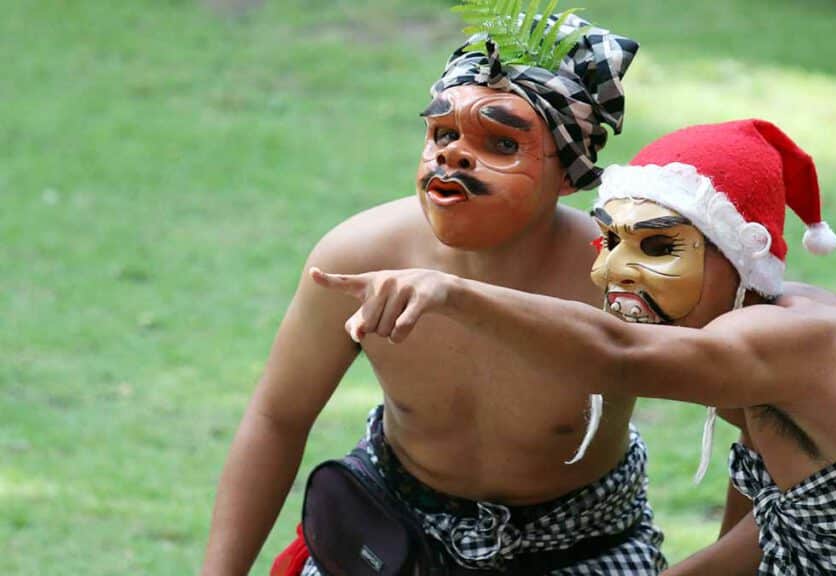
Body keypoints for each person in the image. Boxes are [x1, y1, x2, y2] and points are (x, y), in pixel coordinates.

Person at [313, 119, 836, 574]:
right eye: (612, 241)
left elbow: (619, 354)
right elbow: (777, 523)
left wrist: (453, 294)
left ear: (737, 258)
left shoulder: (789, 339)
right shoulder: (753, 349)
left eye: (659, 247)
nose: (620, 270)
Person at [201, 6, 671, 575]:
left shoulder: (625, 274)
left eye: (500, 143)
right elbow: (278, 416)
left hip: (580, 544)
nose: (452, 156)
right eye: (442, 133)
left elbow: (760, 401)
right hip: (392, 527)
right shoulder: (356, 258)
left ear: (571, 171)